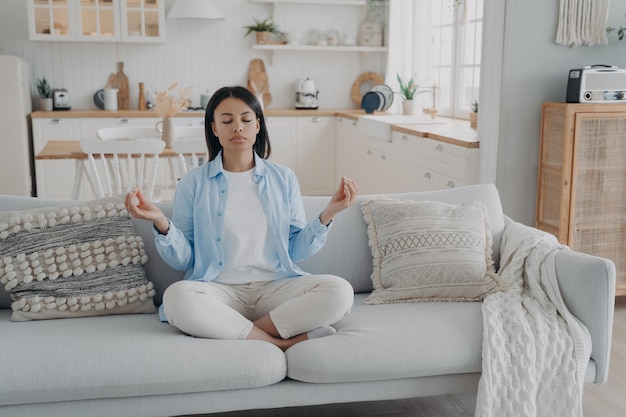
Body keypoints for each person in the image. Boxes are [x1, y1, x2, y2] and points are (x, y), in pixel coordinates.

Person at [125, 86, 358, 351]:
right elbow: (185, 259)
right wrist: (161, 223)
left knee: (340, 291)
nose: (237, 127)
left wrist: (329, 214)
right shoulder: (193, 183)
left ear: (257, 126)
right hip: (218, 289)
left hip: (276, 288)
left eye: (246, 120)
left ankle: (234, 329)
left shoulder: (283, 178)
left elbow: (296, 250)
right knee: (178, 297)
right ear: (214, 128)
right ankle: (280, 342)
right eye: (227, 120)